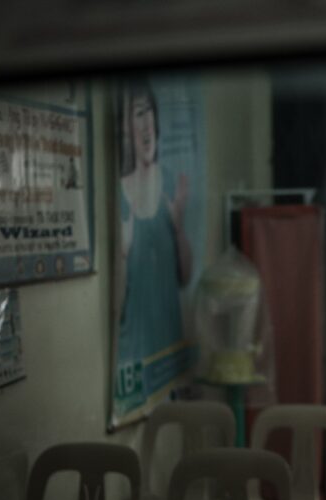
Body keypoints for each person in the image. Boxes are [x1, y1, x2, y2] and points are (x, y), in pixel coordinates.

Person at [116, 80, 193, 411]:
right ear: (126, 127)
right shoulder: (118, 195)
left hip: (169, 355)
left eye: (150, 113)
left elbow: (185, 275)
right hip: (136, 356)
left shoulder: (171, 183)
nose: (146, 124)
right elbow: (117, 308)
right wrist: (123, 253)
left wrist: (177, 229)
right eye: (137, 114)